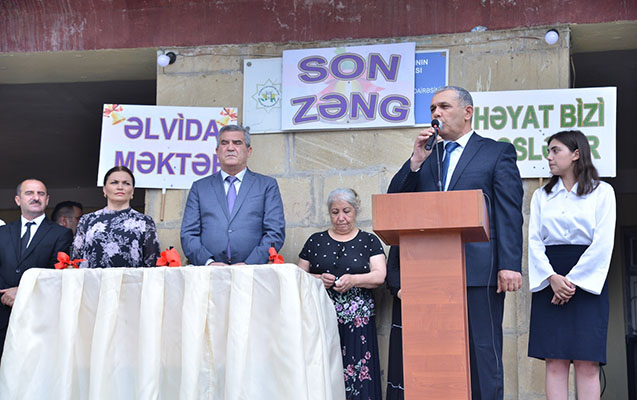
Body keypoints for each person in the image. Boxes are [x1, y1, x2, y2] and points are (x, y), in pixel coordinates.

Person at [387, 86, 523, 399]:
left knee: (482, 353)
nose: (436, 114)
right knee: (434, 356)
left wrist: (509, 265)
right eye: (433, 108)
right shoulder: (427, 156)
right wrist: (415, 161)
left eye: (444, 107)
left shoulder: (496, 153)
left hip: (480, 272)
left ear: (467, 112)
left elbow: (509, 212)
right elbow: (395, 202)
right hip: (430, 274)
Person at [528, 130, 615, 400]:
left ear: (576, 154)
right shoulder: (541, 195)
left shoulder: (602, 192)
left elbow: (603, 242)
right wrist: (552, 278)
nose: (549, 157)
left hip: (589, 281)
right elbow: (534, 241)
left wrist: (572, 281)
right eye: (548, 151)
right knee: (555, 360)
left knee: (587, 362)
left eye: (556, 151)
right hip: (550, 278)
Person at [297, 188, 386, 400]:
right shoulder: (315, 241)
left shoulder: (369, 240)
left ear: (356, 210)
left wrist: (354, 280)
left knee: (359, 370)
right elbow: (298, 276)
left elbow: (380, 275)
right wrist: (318, 279)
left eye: (346, 211)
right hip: (322, 317)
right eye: (335, 212)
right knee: (325, 368)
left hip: (358, 320)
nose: (341, 217)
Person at [181, 124, 285, 266]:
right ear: (217, 151)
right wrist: (208, 263)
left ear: (248, 151)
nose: (230, 148)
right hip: (209, 272)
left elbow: (275, 232)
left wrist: (250, 264)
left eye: (237, 143)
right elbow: (188, 234)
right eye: (224, 143)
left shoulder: (267, 186)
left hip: (253, 272)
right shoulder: (199, 188)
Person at [0, 179, 73, 358]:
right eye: (29, 193)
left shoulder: (61, 233)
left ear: (47, 200)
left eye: (41, 194)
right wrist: (6, 293)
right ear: (18, 200)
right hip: (2, 312)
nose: (36, 197)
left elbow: (57, 273)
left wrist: (23, 290)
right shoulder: (3, 232)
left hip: (39, 316)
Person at [72, 166, 160, 268]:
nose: (120, 187)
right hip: (93, 278)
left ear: (132, 190)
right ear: (104, 189)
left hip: (130, 278)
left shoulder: (145, 222)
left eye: (126, 183)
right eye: (114, 182)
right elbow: (76, 259)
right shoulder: (87, 220)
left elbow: (152, 263)